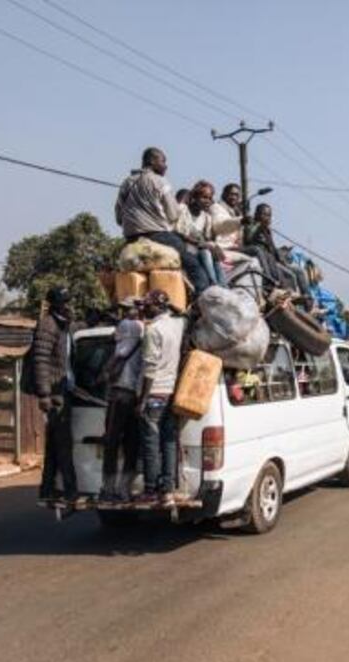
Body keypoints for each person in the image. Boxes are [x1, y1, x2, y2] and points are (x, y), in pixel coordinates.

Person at [114, 147, 211, 294]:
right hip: (157, 236)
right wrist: (182, 203)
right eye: (163, 161)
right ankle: (203, 298)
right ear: (152, 161)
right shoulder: (160, 181)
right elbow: (173, 215)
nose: (166, 166)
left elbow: (118, 218)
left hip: (131, 239)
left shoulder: (127, 183)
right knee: (192, 264)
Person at [137, 289, 186, 504]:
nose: (144, 308)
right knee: (168, 441)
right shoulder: (178, 325)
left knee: (151, 445)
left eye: (147, 305)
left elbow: (149, 368)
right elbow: (185, 314)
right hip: (171, 391)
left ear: (157, 306)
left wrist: (142, 399)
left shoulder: (152, 330)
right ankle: (167, 489)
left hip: (154, 392)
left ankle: (150, 489)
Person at [34, 287, 81, 503]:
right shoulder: (48, 325)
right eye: (66, 302)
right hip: (55, 393)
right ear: (57, 304)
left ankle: (47, 488)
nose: (69, 305)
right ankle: (70, 490)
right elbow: (41, 360)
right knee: (63, 443)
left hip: (65, 389)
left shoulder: (63, 325)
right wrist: (44, 394)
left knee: (54, 444)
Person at [98, 297, 145, 501]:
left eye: (126, 309)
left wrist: (106, 371)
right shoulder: (145, 329)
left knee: (111, 441)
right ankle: (126, 488)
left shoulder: (127, 326)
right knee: (131, 442)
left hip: (120, 391)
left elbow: (119, 350)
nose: (123, 313)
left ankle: (108, 487)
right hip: (136, 393)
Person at [176, 180, 227, 287]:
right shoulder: (184, 211)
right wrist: (201, 244)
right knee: (206, 252)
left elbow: (207, 238)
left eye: (210, 198)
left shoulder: (206, 217)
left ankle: (223, 286)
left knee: (214, 254)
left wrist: (213, 245)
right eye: (204, 197)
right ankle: (212, 284)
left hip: (199, 249)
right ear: (194, 198)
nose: (207, 201)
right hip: (185, 248)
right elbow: (178, 233)